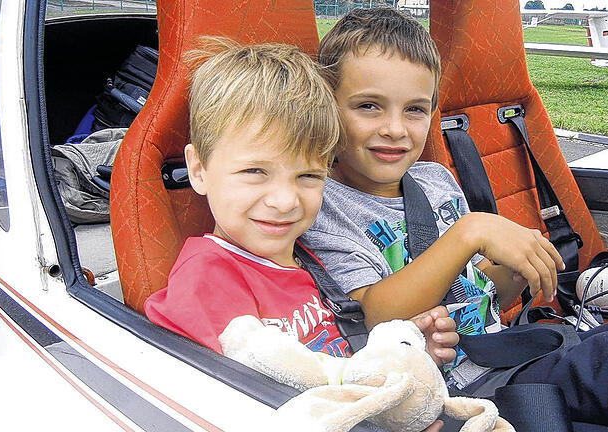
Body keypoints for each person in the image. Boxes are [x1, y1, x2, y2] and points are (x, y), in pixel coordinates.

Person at [301, 7, 608, 431]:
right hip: (464, 388)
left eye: (415, 109)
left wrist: (515, 269)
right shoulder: (323, 206)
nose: (395, 129)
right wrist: (471, 231)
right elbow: (376, 317)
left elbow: (483, 299)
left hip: (513, 347)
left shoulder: (435, 180)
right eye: (368, 106)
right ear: (325, 107)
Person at [142, 38, 458, 392]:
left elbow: (339, 364)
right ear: (199, 170)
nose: (284, 201)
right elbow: (229, 403)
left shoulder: (311, 258)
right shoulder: (208, 279)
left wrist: (406, 352)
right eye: (255, 172)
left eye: (308, 176)